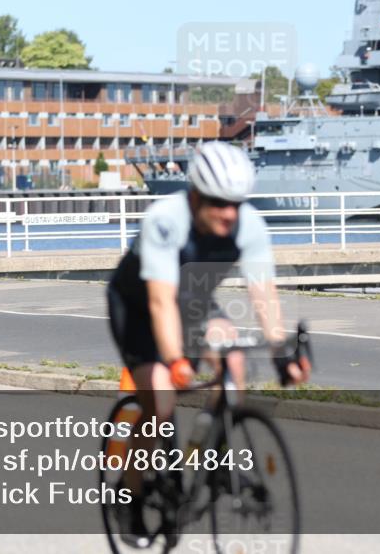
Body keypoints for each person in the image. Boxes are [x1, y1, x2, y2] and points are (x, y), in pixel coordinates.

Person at [106, 141, 310, 546]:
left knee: (234, 361)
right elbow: (160, 301)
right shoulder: (166, 220)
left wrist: (281, 352)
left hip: (194, 302)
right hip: (139, 308)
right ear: (196, 196)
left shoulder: (249, 225)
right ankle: (129, 494)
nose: (229, 213)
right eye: (218, 203)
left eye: (235, 203)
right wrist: (175, 360)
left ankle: (214, 456)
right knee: (160, 401)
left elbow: (264, 294)